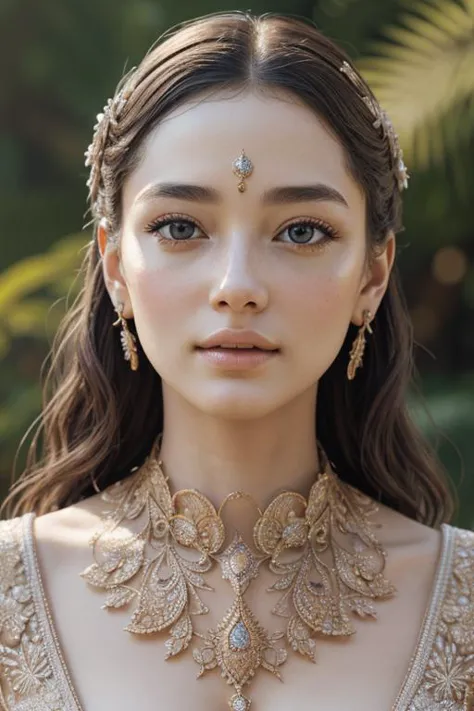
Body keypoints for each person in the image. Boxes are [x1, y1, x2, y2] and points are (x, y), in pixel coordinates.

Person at [0, 10, 472, 711]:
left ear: (372, 276)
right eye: (181, 227)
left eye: (302, 230)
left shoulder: (459, 602)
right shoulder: (13, 588)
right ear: (115, 266)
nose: (238, 287)